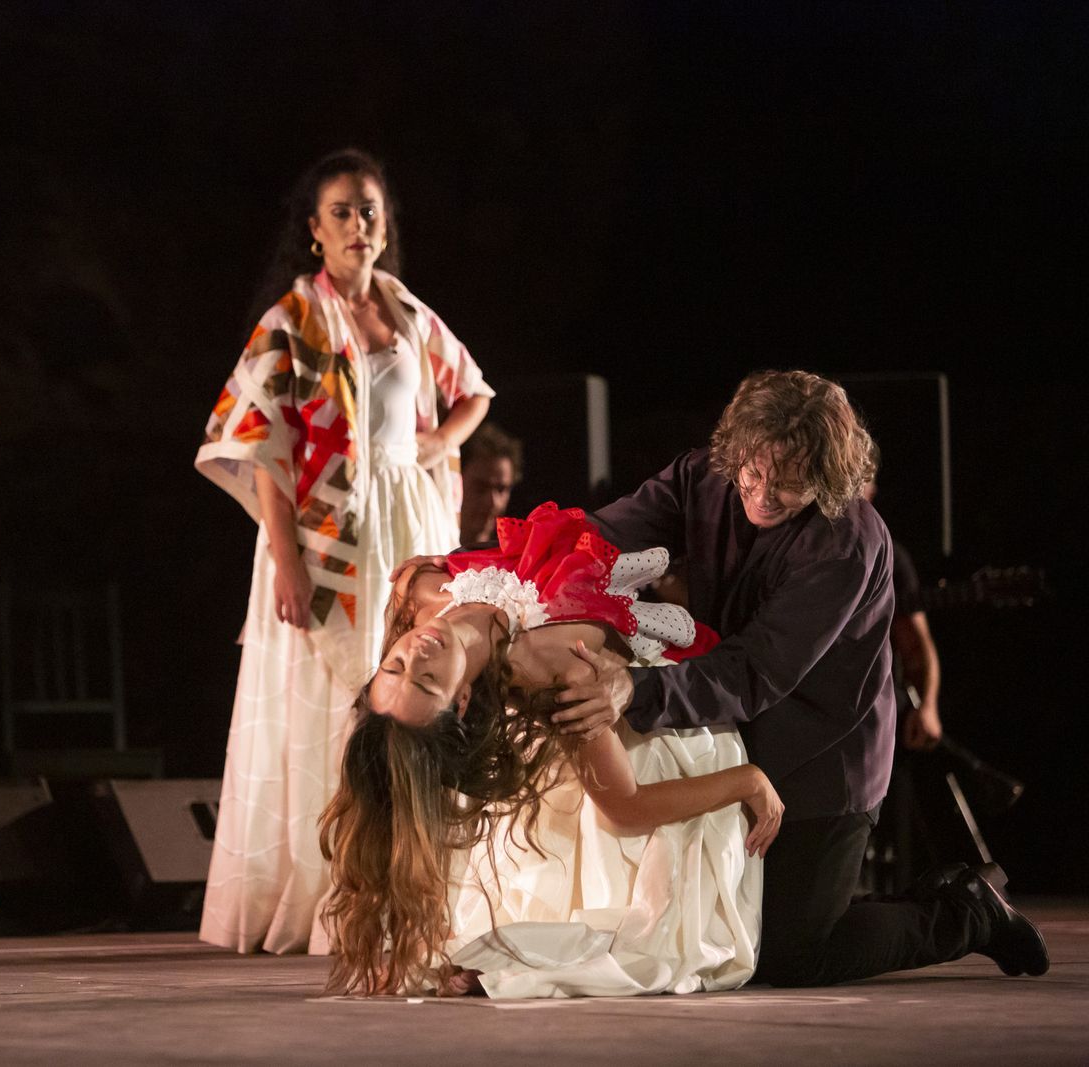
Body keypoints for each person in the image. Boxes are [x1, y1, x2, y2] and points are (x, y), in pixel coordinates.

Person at [554, 369, 1047, 985]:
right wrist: (484, 571)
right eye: (753, 475)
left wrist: (634, 687)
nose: (761, 496)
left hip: (824, 755)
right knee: (733, 931)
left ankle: (966, 913)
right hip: (732, 735)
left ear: (832, 479)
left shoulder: (846, 540)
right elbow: (592, 535)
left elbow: (758, 667)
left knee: (794, 954)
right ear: (736, 453)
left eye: (790, 484)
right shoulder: (702, 477)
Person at [195, 149, 493, 954]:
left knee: (416, 690)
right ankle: (336, 889)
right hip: (324, 535)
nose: (358, 224)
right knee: (333, 704)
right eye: (341, 211)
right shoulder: (292, 321)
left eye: (368, 209)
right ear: (313, 230)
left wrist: (432, 449)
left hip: (407, 518)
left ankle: (412, 880)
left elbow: (474, 392)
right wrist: (286, 559)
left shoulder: (407, 311)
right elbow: (257, 444)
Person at [320, 502, 781, 997]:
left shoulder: (420, 593)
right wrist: (747, 780)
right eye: (428, 682)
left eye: (395, 666)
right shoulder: (557, 671)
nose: (417, 654)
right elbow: (625, 808)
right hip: (652, 742)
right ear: (461, 698)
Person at [458, 422, 523, 545]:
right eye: (480, 487)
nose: (493, 502)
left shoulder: (518, 560)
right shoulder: (425, 545)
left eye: (501, 489)